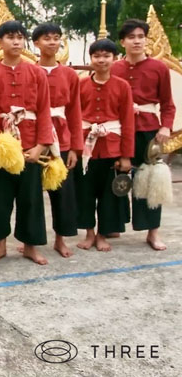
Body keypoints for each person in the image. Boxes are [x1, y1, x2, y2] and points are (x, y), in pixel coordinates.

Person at [0, 20, 53, 265]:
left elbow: (44, 111)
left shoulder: (37, 73)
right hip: (1, 146)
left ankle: (30, 245)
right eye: (10, 37)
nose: (16, 42)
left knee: (31, 198)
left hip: (31, 145)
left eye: (20, 37)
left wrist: (42, 145)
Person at [111, 19, 175, 250]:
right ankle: (113, 225)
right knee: (117, 176)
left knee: (150, 180)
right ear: (123, 42)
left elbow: (168, 104)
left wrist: (165, 127)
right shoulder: (114, 68)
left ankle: (152, 232)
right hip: (117, 130)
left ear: (146, 39)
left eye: (140, 36)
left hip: (148, 130)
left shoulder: (158, 68)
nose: (136, 41)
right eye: (131, 37)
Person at [75, 39, 134, 251]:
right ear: (90, 59)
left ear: (115, 59)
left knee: (109, 196)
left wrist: (126, 155)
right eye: (97, 56)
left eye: (106, 56)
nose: (101, 60)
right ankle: (89, 233)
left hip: (112, 148)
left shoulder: (122, 86)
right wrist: (74, 147)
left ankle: (102, 234)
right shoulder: (80, 84)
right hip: (86, 149)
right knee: (85, 193)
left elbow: (128, 121)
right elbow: (74, 117)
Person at [31, 23, 83, 257]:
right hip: (33, 139)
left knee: (62, 192)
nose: (52, 43)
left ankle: (61, 239)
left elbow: (75, 112)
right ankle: (29, 239)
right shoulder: (29, 71)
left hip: (61, 138)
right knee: (30, 193)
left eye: (56, 38)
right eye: (46, 38)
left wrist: (75, 147)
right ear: (35, 44)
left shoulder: (70, 75)